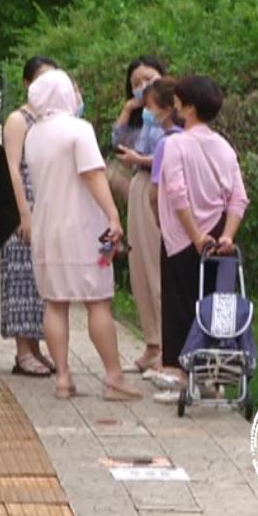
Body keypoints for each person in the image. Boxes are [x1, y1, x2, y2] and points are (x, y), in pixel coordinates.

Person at [24, 69, 142, 401]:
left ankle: (62, 377)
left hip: (48, 226)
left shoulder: (35, 133)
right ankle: (114, 377)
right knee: (98, 301)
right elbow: (92, 175)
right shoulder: (79, 130)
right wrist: (113, 215)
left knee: (55, 303)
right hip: (83, 226)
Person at [153, 76, 250, 403]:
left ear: (190, 107)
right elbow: (239, 198)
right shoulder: (225, 147)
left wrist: (196, 236)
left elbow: (177, 194)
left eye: (179, 101)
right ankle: (213, 379)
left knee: (181, 305)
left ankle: (183, 378)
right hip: (219, 238)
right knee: (213, 306)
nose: (176, 106)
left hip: (184, 237)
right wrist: (226, 235)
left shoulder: (174, 144)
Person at [0, 56, 58, 377]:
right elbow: (12, 167)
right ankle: (23, 351)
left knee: (42, 282)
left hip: (50, 209)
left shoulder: (53, 119)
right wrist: (25, 213)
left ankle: (36, 346)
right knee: (22, 278)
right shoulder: (18, 119)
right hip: (26, 208)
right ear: (27, 84)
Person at [109, 55, 167, 375]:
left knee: (158, 268)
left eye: (148, 79)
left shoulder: (171, 117)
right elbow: (118, 144)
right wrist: (130, 109)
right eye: (135, 83)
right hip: (139, 189)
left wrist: (140, 160)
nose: (143, 87)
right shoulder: (142, 117)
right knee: (140, 268)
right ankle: (151, 344)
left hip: (158, 189)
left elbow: (169, 154)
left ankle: (166, 348)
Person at [143, 78, 184, 227]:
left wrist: (158, 221)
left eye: (150, 107)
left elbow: (154, 194)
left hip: (174, 226)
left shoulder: (165, 144)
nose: (146, 112)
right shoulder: (192, 137)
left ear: (166, 110)